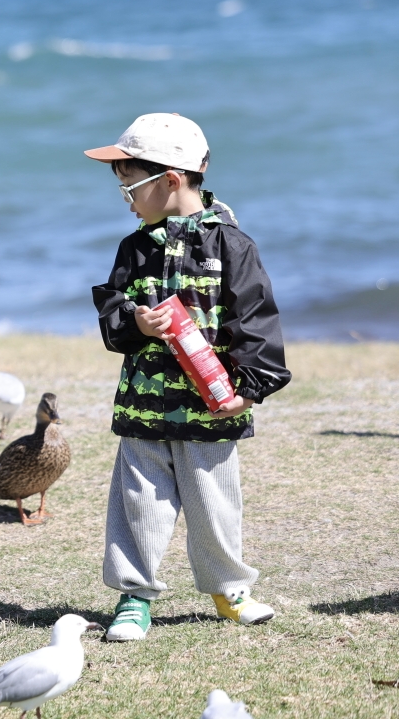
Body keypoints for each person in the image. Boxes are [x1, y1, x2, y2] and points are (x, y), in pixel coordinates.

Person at [86, 113, 290, 642]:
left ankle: (229, 589)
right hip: (143, 409)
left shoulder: (232, 246)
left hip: (210, 409)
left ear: (171, 180)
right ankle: (134, 597)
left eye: (129, 183)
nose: (125, 196)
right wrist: (134, 320)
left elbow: (256, 322)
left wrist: (249, 390)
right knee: (139, 504)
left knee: (215, 504)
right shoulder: (135, 248)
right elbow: (111, 311)